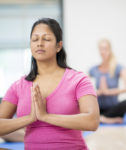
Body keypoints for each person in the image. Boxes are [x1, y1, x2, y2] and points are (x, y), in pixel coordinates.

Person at [0, 18, 99, 150]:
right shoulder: (18, 86)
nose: (39, 43)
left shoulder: (78, 80)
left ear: (58, 46)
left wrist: (46, 116)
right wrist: (30, 118)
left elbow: (92, 121)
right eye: (35, 39)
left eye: (46, 39)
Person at [89, 39, 126, 124]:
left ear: (110, 50)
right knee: (80, 105)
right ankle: (105, 119)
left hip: (112, 108)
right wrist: (97, 92)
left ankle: (101, 118)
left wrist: (109, 92)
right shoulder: (94, 69)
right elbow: (82, 88)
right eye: (101, 49)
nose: (103, 51)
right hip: (98, 108)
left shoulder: (118, 67)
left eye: (105, 49)